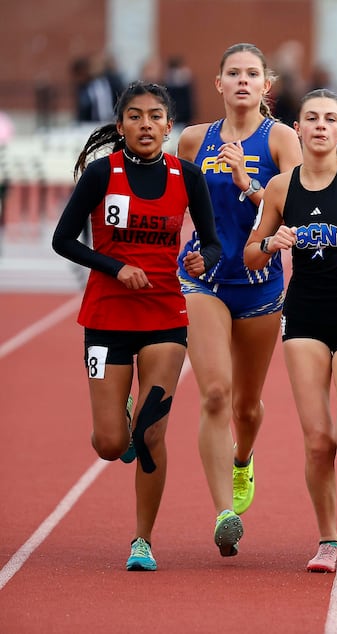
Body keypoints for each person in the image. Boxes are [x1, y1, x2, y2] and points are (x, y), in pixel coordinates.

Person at [51, 81, 221, 571]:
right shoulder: (102, 173)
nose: (146, 124)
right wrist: (114, 267)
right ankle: (119, 417)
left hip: (165, 316)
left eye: (155, 116)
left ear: (169, 126)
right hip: (106, 316)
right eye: (135, 116)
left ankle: (142, 540)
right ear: (120, 125)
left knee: (149, 435)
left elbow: (212, 243)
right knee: (111, 444)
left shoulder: (187, 176)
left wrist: (202, 259)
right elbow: (63, 240)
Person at [244, 87, 337, 573]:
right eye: (311, 118)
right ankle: (328, 539)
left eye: (330, 119)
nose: (320, 126)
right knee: (316, 440)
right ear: (298, 128)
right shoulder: (280, 187)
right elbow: (250, 254)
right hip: (304, 316)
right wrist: (271, 243)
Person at [176, 43, 303, 558]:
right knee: (214, 394)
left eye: (253, 73)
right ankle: (223, 513)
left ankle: (243, 458)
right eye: (234, 73)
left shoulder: (282, 138)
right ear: (219, 84)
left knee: (246, 406)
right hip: (204, 280)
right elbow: (171, 204)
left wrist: (248, 184)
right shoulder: (193, 140)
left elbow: (298, 208)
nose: (243, 81)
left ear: (266, 85)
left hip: (259, 283)